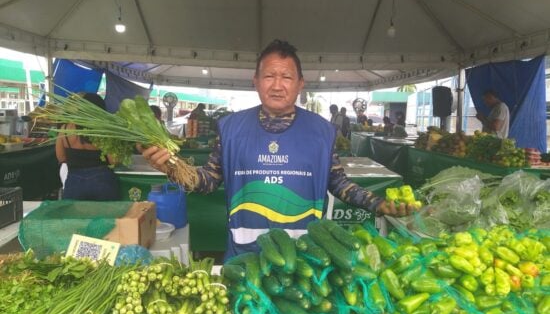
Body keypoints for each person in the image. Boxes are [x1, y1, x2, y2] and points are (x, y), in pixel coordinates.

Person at [141, 39, 414, 259]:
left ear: (300, 84)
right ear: (256, 81)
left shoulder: (321, 131)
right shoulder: (231, 128)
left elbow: (339, 183)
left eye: (286, 76)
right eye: (269, 75)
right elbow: (208, 182)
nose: (277, 84)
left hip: (304, 257)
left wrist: (377, 203)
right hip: (244, 255)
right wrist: (170, 166)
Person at [55, 93, 119, 200]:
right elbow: (113, 160)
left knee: (75, 216)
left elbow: (61, 158)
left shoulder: (65, 129)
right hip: (102, 182)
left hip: (74, 182)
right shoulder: (104, 131)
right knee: (105, 215)